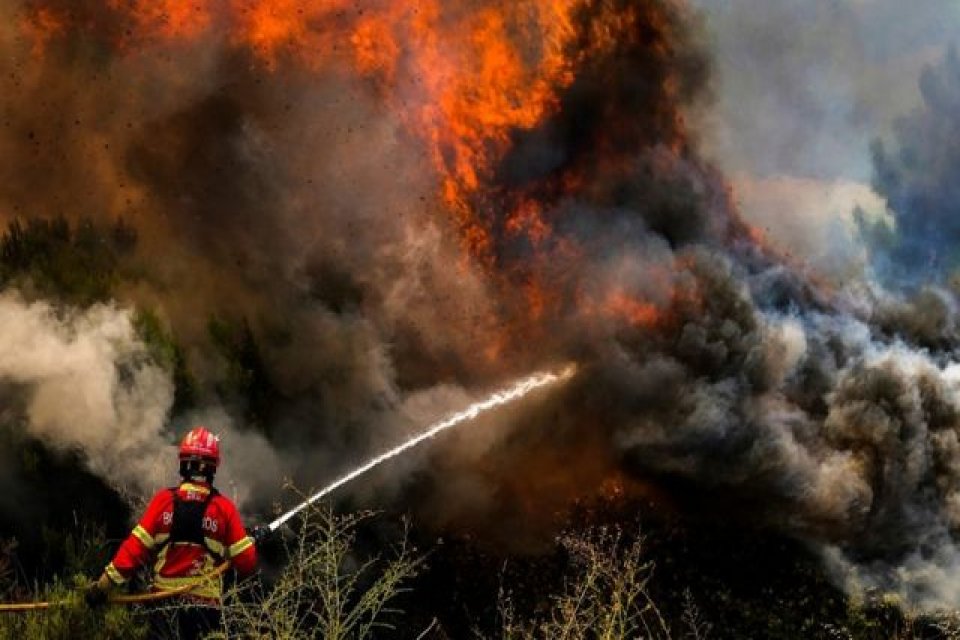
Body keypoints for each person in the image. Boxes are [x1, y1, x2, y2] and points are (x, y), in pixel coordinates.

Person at [86, 426, 268, 638]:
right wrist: (250, 542)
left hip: (163, 608)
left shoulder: (163, 503)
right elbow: (246, 562)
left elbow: (132, 553)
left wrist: (101, 587)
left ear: (183, 463)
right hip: (205, 611)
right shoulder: (223, 509)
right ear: (213, 468)